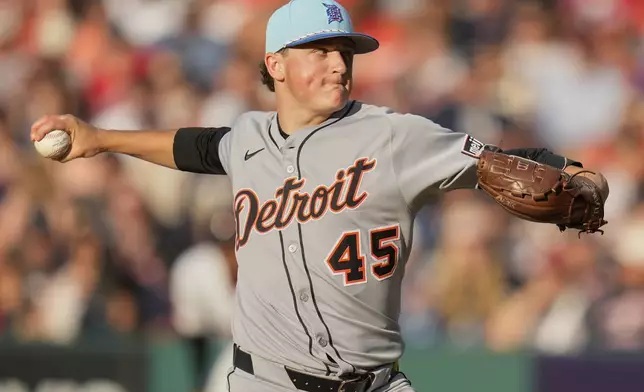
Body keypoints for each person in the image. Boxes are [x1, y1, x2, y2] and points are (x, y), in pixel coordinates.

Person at [30, 1, 609, 391]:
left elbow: (498, 162)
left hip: (374, 382)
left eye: (345, 52)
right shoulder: (248, 139)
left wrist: (577, 171)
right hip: (264, 381)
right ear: (275, 65)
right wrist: (100, 138)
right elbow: (197, 147)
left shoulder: (394, 134)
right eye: (321, 51)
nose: (339, 64)